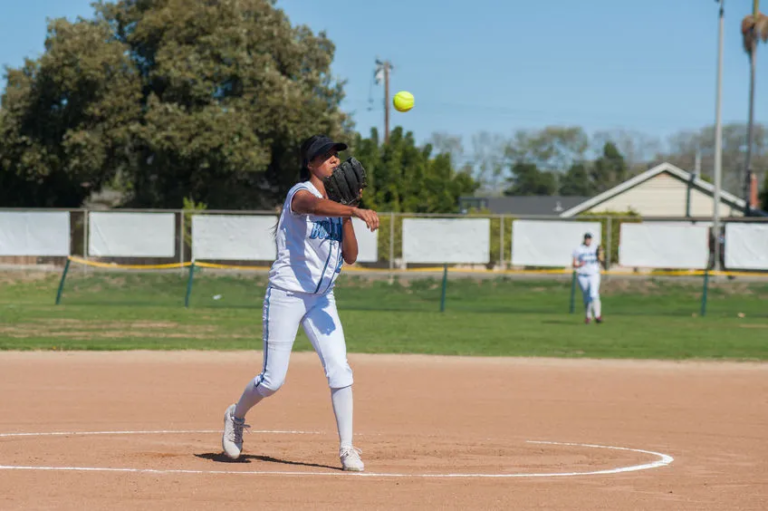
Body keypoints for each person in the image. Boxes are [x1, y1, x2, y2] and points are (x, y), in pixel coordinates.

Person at [221, 135, 379, 472]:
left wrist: (348, 215)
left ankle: (347, 449)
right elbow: (311, 205)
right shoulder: (300, 193)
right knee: (272, 381)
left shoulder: (338, 208)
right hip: (287, 293)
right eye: (326, 155)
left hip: (322, 298)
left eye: (336, 155)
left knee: (340, 370)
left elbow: (350, 257)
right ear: (310, 164)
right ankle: (235, 416)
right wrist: (352, 208)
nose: (334, 159)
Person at [572, 232, 603, 324]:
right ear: (584, 239)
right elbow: (573, 264)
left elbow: (602, 259)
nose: (588, 240)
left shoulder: (595, 248)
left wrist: (600, 255)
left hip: (594, 274)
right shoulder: (578, 249)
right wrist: (578, 265)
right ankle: (588, 316)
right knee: (586, 297)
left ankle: (597, 316)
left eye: (589, 238)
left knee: (593, 294)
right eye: (586, 238)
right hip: (582, 275)